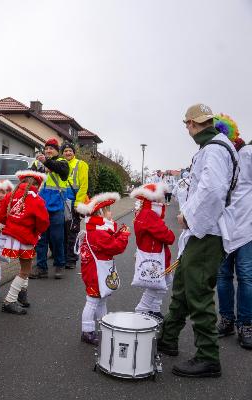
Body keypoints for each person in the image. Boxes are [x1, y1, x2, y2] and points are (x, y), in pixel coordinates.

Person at [158, 103, 238, 378]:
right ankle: (168, 339)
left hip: (207, 232)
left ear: (190, 125)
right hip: (202, 232)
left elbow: (214, 190)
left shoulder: (214, 149)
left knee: (198, 292)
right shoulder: (215, 146)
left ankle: (208, 356)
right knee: (182, 287)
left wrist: (189, 217)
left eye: (189, 125)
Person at [75, 192, 130, 345]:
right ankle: (87, 331)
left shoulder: (95, 229)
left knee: (101, 300)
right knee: (93, 301)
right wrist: (124, 236)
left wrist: (118, 233)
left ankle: (104, 325)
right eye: (108, 209)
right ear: (101, 213)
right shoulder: (98, 232)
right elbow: (114, 247)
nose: (111, 212)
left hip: (94, 271)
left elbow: (108, 241)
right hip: (95, 273)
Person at [217, 131, 252, 349]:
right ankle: (228, 319)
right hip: (223, 226)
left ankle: (246, 323)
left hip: (247, 227)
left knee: (246, 276)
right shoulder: (218, 155)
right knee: (223, 275)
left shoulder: (248, 153)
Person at [0, 171, 50, 315]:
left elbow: (2, 216)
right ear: (36, 185)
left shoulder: (10, 195)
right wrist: (38, 232)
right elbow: (43, 221)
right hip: (26, 236)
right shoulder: (36, 199)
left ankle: (22, 293)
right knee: (26, 269)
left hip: (12, 236)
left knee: (24, 265)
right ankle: (9, 301)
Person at [130, 183, 175, 321]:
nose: (163, 201)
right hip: (154, 256)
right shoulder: (150, 215)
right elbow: (168, 237)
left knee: (165, 280)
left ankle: (154, 308)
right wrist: (168, 232)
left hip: (155, 254)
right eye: (160, 198)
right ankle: (142, 309)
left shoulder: (145, 213)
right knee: (155, 284)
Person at [30, 138, 70, 279]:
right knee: (41, 240)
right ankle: (41, 268)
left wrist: (45, 162)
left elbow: (60, 170)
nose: (48, 151)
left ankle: (59, 265)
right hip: (40, 207)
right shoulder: (37, 163)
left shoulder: (62, 162)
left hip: (56, 207)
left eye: (51, 149)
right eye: (46, 148)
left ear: (57, 151)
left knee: (57, 238)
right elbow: (29, 179)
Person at [60, 142, 89, 269]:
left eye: (70, 150)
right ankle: (62, 256)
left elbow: (83, 185)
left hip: (72, 202)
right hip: (60, 201)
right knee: (61, 231)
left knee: (72, 231)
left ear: (74, 152)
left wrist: (78, 203)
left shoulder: (80, 164)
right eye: (65, 151)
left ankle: (71, 259)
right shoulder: (60, 163)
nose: (67, 153)